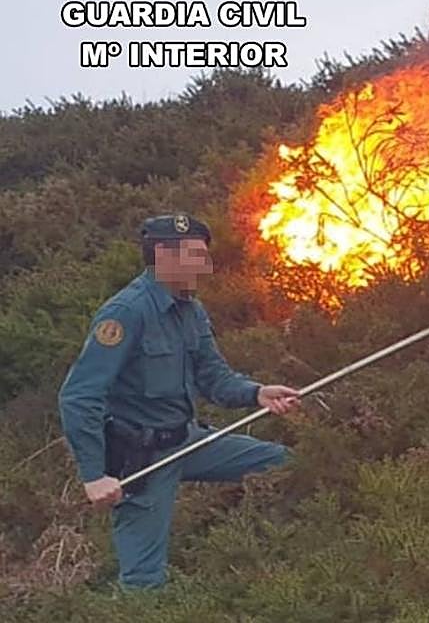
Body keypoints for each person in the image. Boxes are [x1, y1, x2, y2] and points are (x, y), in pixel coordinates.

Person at [58, 212, 301, 590]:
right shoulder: (126, 313)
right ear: (164, 255)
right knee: (144, 581)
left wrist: (256, 393)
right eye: (196, 256)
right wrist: (94, 476)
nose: (206, 267)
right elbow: (79, 396)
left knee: (287, 463)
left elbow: (213, 377)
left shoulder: (191, 310)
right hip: (142, 459)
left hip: (188, 440)